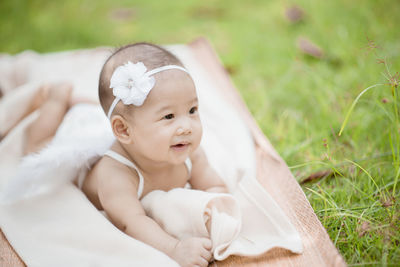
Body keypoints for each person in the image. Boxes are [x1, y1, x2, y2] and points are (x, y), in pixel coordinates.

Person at [80, 42, 228, 267]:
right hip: (82, 166)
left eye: (192, 110)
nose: (186, 126)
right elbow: (132, 222)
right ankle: (58, 100)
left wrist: (215, 214)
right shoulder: (116, 173)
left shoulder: (190, 152)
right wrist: (175, 249)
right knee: (39, 140)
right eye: (169, 116)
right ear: (124, 130)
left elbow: (215, 187)